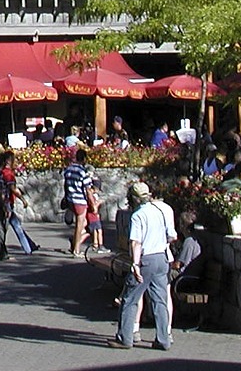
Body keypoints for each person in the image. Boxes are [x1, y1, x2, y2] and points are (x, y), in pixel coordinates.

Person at [110, 181, 177, 351]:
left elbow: (135, 242)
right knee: (160, 300)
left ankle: (125, 338)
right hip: (162, 258)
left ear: (133, 198)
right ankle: (163, 339)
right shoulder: (159, 210)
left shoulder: (138, 215)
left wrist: (135, 264)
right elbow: (170, 236)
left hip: (146, 259)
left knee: (129, 298)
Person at [63, 148, 94, 256]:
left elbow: (65, 184)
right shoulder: (83, 172)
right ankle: (76, 250)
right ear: (84, 159)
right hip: (80, 200)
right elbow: (88, 190)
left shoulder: (68, 169)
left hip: (71, 198)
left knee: (83, 224)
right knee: (79, 226)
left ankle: (75, 242)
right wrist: (92, 204)